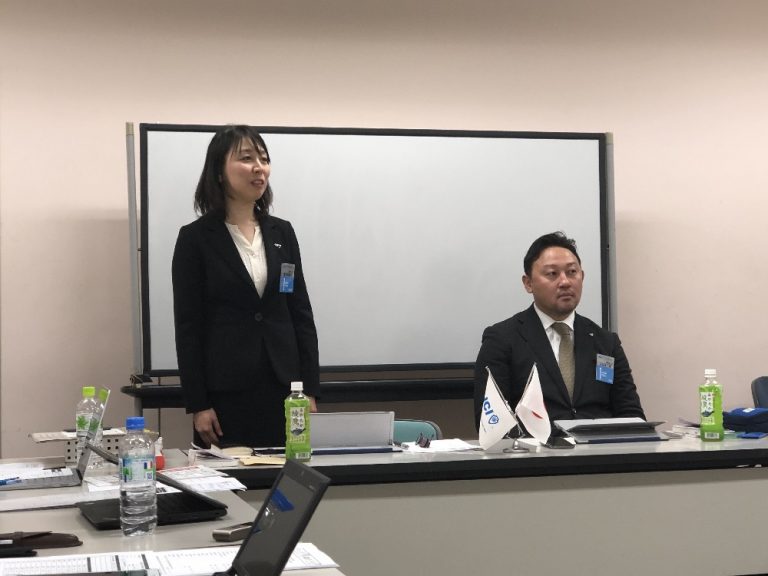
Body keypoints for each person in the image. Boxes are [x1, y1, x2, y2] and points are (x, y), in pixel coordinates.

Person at [172, 125, 319, 448]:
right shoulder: (195, 239)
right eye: (247, 158)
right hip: (225, 394)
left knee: (287, 473)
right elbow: (188, 327)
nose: (259, 168)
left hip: (285, 390)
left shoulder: (282, 233)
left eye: (264, 159)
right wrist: (198, 404)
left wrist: (309, 389)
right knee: (230, 478)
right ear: (219, 171)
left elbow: (300, 314)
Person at [474, 231, 644, 429]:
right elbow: (491, 422)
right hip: (536, 448)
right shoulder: (502, 339)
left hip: (598, 447)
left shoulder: (606, 342)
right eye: (552, 274)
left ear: (582, 276)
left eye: (572, 272)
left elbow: (631, 414)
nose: (565, 282)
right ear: (528, 283)